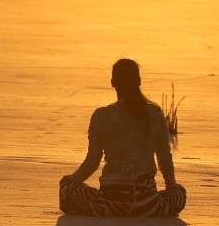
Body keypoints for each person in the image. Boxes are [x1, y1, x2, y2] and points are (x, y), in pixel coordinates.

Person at [59, 59, 187, 217]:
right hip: (147, 204)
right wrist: (171, 186)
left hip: (110, 204)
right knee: (180, 194)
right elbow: (164, 157)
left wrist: (71, 181)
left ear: (113, 83)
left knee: (66, 187)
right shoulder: (155, 114)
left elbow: (92, 162)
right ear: (139, 81)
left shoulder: (101, 116)